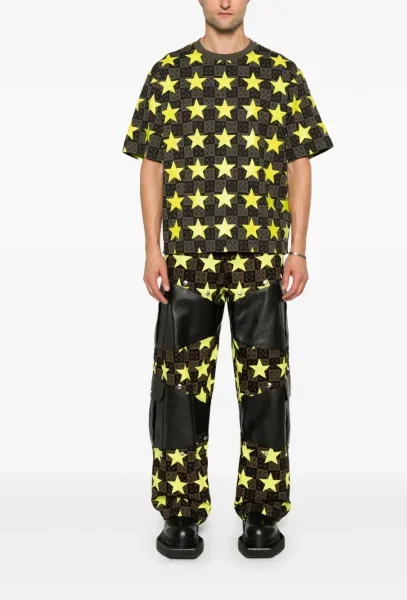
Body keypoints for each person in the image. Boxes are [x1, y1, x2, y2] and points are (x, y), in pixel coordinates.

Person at [121, 0, 334, 559]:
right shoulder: (168, 73)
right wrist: (152, 249)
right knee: (176, 391)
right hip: (184, 261)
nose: (224, 2)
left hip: (261, 261)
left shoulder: (282, 74)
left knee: (267, 392)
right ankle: (179, 512)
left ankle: (262, 513)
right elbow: (151, 164)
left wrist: (298, 249)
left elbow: (300, 163)